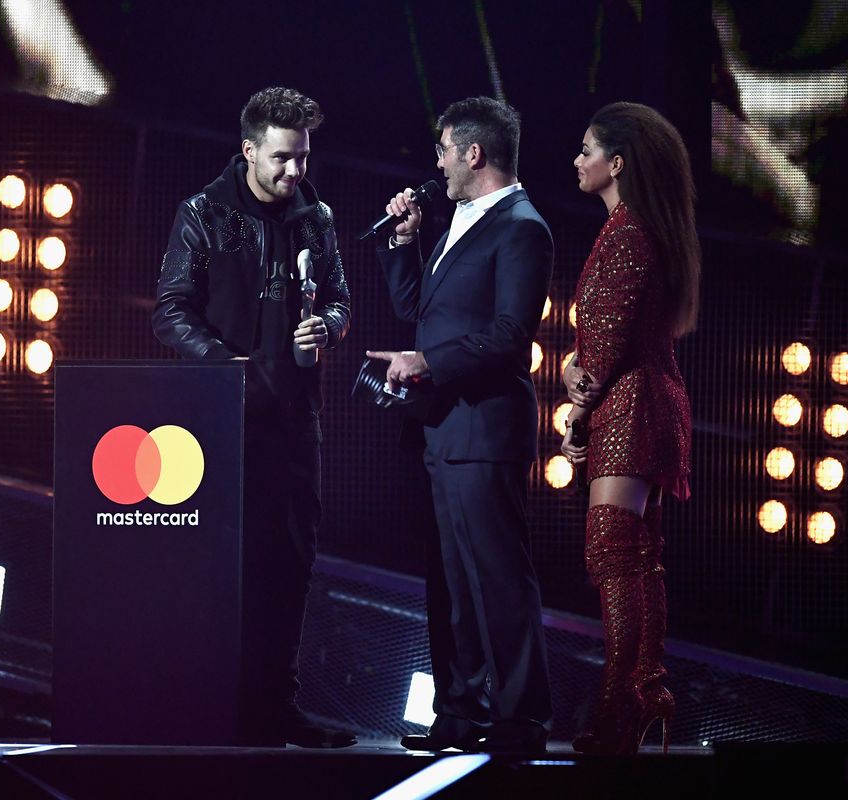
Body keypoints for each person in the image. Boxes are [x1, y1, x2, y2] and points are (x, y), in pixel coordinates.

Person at [151, 87, 354, 748]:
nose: (294, 171)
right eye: (282, 159)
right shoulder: (203, 214)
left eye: (301, 158)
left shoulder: (316, 218)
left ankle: (275, 708)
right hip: (220, 426)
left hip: (295, 422)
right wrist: (225, 366)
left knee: (289, 566)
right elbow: (171, 310)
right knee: (218, 567)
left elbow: (344, 303)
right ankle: (208, 705)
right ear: (247, 151)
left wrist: (325, 324)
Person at [367, 96, 554, 753]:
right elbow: (424, 309)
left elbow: (510, 337)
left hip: (485, 427)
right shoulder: (463, 219)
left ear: (475, 153)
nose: (438, 162)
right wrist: (403, 244)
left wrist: (428, 361)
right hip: (444, 428)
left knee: (496, 575)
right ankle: (461, 708)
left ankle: (520, 712)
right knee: (449, 578)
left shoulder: (522, 228)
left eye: (445, 149)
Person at [560, 102, 700, 756]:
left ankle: (621, 706)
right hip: (647, 402)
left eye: (587, 150)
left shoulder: (628, 232)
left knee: (613, 555)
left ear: (616, 163)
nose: (577, 161)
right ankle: (646, 689)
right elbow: (602, 339)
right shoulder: (638, 230)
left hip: (631, 408)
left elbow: (607, 345)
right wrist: (572, 368)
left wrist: (576, 414)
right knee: (637, 559)